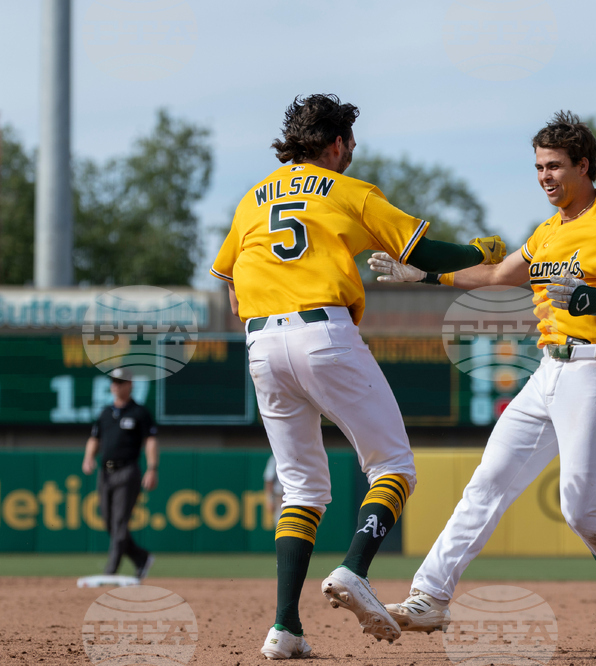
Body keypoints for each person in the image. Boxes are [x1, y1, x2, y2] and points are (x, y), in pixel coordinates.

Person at [210, 93, 507, 661]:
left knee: (301, 489)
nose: (353, 150)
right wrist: (476, 250)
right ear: (337, 143)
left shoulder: (253, 198)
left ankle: (285, 628)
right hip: (324, 333)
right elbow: (423, 250)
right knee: (393, 466)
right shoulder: (349, 191)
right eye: (350, 140)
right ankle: (353, 568)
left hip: (260, 342)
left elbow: (230, 288)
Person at [369, 112, 596, 652]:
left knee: (581, 506)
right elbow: (496, 273)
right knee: (488, 481)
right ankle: (430, 596)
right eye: (538, 166)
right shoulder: (549, 230)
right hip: (549, 370)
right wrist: (428, 275)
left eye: (555, 165)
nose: (545, 176)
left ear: (584, 165)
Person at [82, 367, 157, 580]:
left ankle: (110, 570)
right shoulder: (106, 412)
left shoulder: (139, 413)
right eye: (113, 381)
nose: (116, 385)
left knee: (119, 523)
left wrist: (152, 468)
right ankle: (140, 557)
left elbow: (150, 442)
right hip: (105, 472)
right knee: (109, 522)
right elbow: (94, 438)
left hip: (127, 470)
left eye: (120, 382)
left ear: (130, 385)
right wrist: (88, 457)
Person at [263, 454, 283, 528]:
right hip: (280, 496)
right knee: (281, 525)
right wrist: (269, 500)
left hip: (295, 495)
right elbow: (269, 480)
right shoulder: (275, 457)